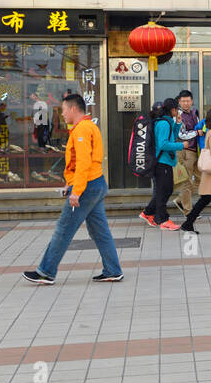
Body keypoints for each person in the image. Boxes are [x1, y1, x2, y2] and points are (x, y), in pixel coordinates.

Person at [22, 93, 123, 284]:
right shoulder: (88, 126)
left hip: (87, 187)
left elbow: (84, 162)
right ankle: (112, 270)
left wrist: (76, 190)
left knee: (63, 229)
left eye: (63, 110)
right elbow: (80, 163)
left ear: (73, 109)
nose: (62, 114)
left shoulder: (82, 129)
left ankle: (46, 272)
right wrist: (71, 183)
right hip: (96, 183)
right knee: (100, 231)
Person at [141, 98, 184, 229]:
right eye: (178, 109)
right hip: (161, 161)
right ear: (173, 110)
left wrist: (177, 125)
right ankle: (163, 220)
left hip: (165, 161)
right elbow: (163, 144)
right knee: (162, 191)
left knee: (167, 189)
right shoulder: (164, 123)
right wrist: (182, 145)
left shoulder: (167, 122)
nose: (179, 112)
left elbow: (172, 136)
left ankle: (148, 213)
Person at [171, 89, 201, 216]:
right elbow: (181, 134)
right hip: (184, 151)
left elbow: (199, 127)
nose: (186, 103)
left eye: (188, 101)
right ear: (179, 101)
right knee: (187, 182)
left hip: (196, 150)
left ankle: (179, 200)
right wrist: (196, 132)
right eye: (183, 101)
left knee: (200, 180)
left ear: (192, 101)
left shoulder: (195, 113)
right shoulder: (177, 115)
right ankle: (188, 212)